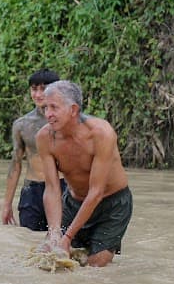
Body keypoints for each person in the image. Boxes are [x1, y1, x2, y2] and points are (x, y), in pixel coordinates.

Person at [35, 80, 133, 266]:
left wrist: (68, 237)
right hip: (73, 203)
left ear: (73, 109)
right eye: (45, 107)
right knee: (51, 258)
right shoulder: (44, 137)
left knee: (95, 266)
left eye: (54, 107)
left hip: (112, 205)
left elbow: (96, 192)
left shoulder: (101, 133)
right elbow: (52, 188)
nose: (48, 114)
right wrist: (55, 233)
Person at [3, 69, 61, 230]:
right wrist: (7, 205)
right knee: (29, 240)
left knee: (63, 240)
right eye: (34, 89)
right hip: (32, 190)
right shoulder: (22, 125)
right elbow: (15, 164)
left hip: (61, 187)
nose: (38, 94)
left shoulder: (67, 121)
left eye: (43, 88)